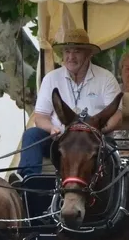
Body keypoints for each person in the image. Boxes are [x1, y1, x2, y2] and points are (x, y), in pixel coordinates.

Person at [15, 28, 122, 180]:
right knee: (31, 135)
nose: (71, 57)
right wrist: (51, 128)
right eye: (67, 51)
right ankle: (28, 181)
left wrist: (97, 129)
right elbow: (40, 117)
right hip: (60, 140)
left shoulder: (106, 78)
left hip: (93, 140)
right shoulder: (51, 78)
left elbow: (117, 116)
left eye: (77, 51)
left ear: (88, 54)